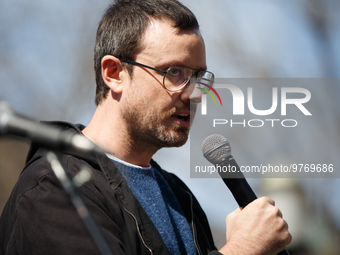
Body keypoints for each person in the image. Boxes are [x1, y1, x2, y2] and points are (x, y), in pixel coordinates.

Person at [0, 0, 292, 254]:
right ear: (114, 73)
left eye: (199, 77)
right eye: (175, 72)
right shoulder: (55, 188)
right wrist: (242, 249)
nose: (195, 94)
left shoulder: (181, 198)